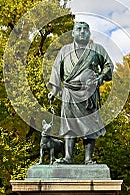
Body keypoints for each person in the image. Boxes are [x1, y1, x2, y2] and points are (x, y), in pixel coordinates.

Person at [48, 21, 113, 164]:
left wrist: (101, 77)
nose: (82, 31)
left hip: (89, 93)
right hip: (69, 92)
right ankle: (68, 157)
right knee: (68, 124)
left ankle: (88, 158)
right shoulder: (65, 50)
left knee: (90, 125)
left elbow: (108, 66)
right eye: (79, 29)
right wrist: (54, 89)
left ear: (89, 33)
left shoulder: (97, 49)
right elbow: (56, 69)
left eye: (85, 29)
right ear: (73, 33)